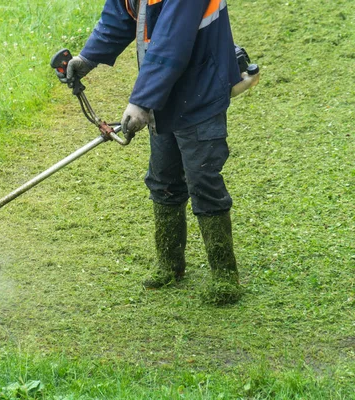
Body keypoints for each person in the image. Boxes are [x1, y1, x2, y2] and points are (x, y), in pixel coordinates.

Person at [61, 0, 259, 304]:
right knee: (163, 177)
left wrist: (141, 100)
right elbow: (121, 12)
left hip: (201, 87)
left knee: (203, 178)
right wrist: (88, 57)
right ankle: (170, 265)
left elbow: (171, 42)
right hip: (164, 92)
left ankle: (224, 274)